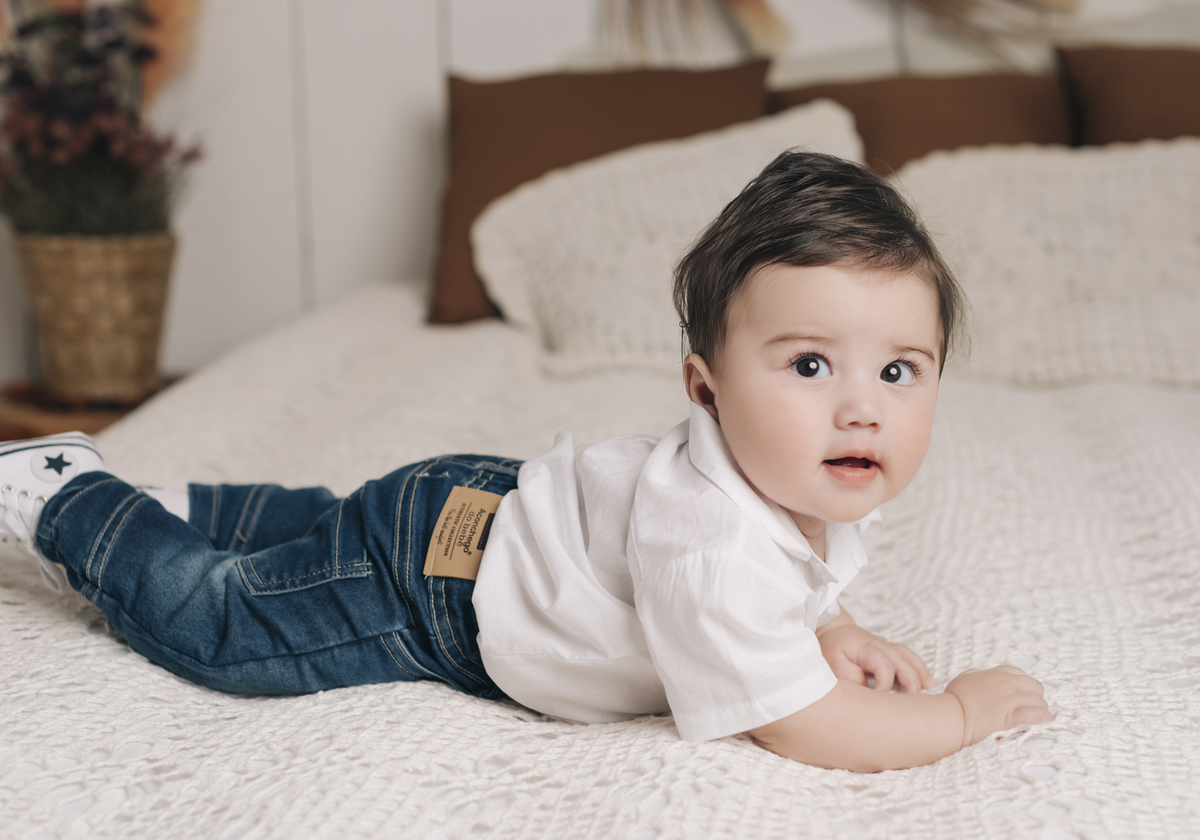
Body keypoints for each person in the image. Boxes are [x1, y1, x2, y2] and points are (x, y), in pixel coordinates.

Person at [0, 151, 1052, 773]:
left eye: (902, 372)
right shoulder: (713, 539)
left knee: (317, 527)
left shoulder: (809, 471)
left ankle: (169, 502)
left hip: (476, 507)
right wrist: (954, 715)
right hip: (437, 592)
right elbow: (799, 722)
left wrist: (836, 624)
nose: (863, 408)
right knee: (230, 626)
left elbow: (804, 577)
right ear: (704, 388)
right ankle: (70, 501)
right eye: (812, 362)